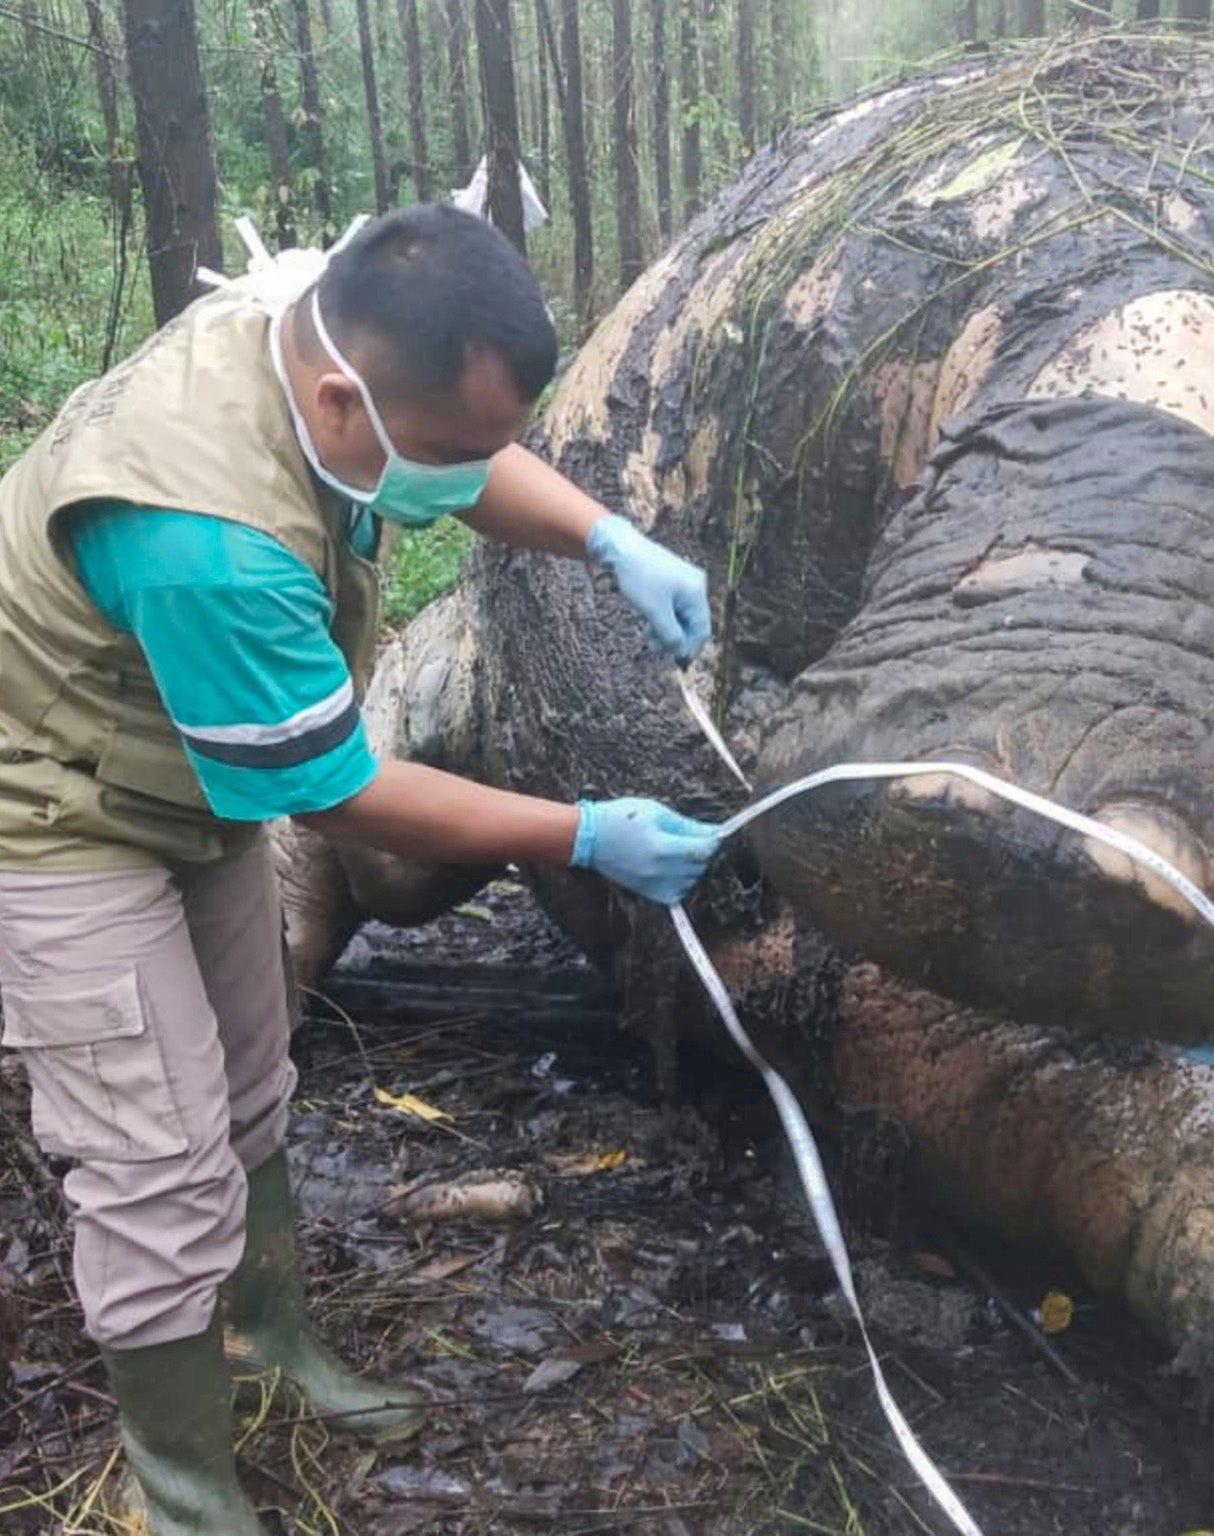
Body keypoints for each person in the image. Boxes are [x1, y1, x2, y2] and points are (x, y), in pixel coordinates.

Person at [0, 205, 724, 1534]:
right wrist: (579, 834)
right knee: (149, 1166)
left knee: (246, 1069)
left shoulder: (310, 341)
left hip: (179, 764)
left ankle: (273, 1345)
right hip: (50, 811)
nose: (470, 477)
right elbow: (336, 793)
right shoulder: (203, 536)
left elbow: (451, 456)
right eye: (453, 451)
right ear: (343, 399)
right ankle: (187, 1497)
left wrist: (608, 537)